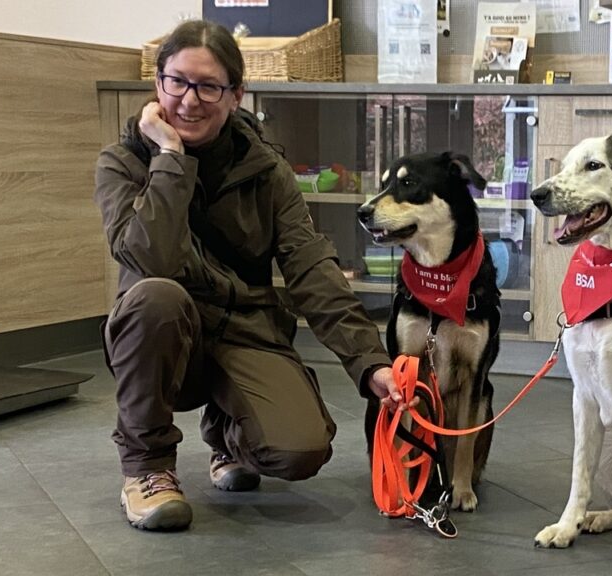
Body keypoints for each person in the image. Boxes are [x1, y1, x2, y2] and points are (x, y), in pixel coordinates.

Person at [94, 20, 408, 531]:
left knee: (299, 452)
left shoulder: (267, 169)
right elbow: (148, 259)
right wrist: (170, 158)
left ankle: (227, 432)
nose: (190, 100)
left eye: (209, 86)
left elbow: (310, 266)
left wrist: (369, 361)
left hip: (245, 329)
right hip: (165, 331)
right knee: (155, 296)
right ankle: (147, 468)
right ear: (158, 84)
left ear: (236, 95)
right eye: (177, 81)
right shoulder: (122, 162)